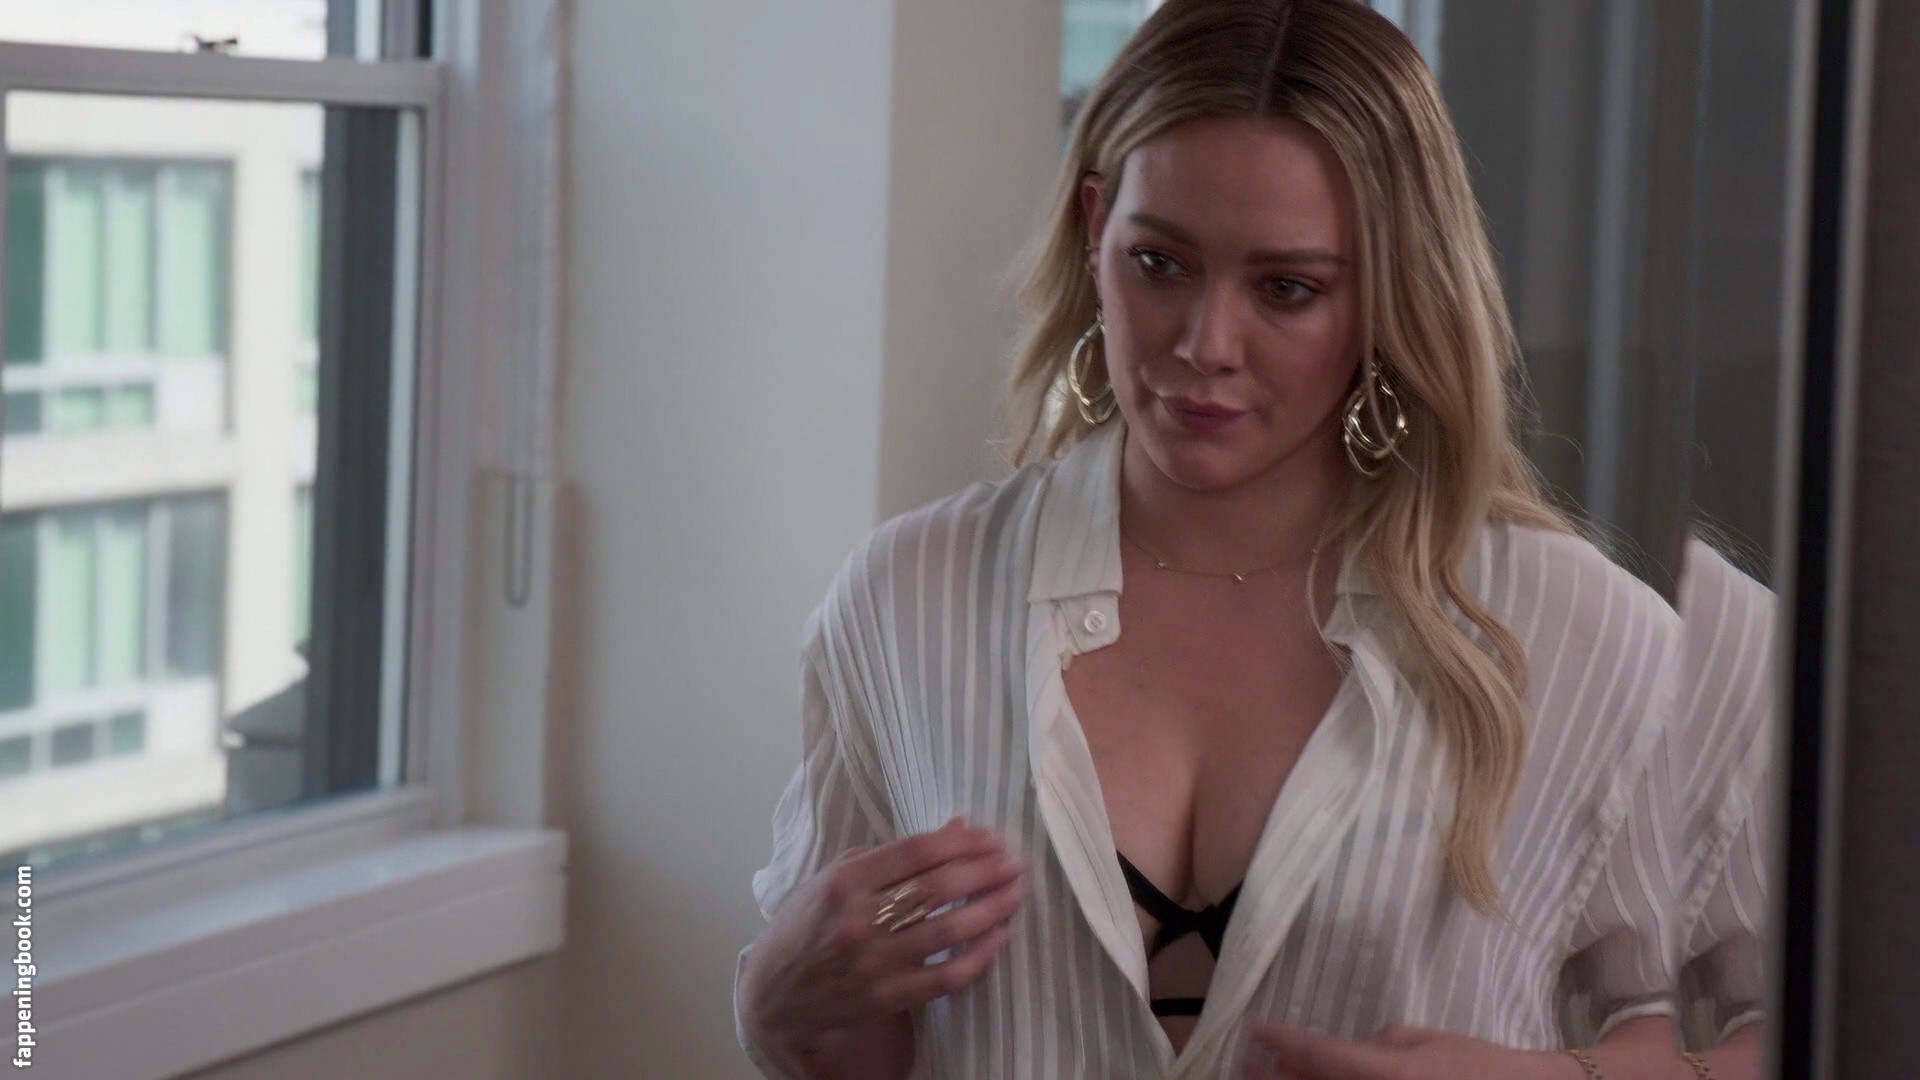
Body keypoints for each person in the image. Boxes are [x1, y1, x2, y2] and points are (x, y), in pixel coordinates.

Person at [734, 1, 1764, 1077]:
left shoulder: (1573, 635)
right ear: (1095, 231)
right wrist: (772, 1007)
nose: (1205, 343)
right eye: (1159, 263)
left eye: (1286, 289)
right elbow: (870, 1047)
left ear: (1389, 295)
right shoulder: (908, 598)